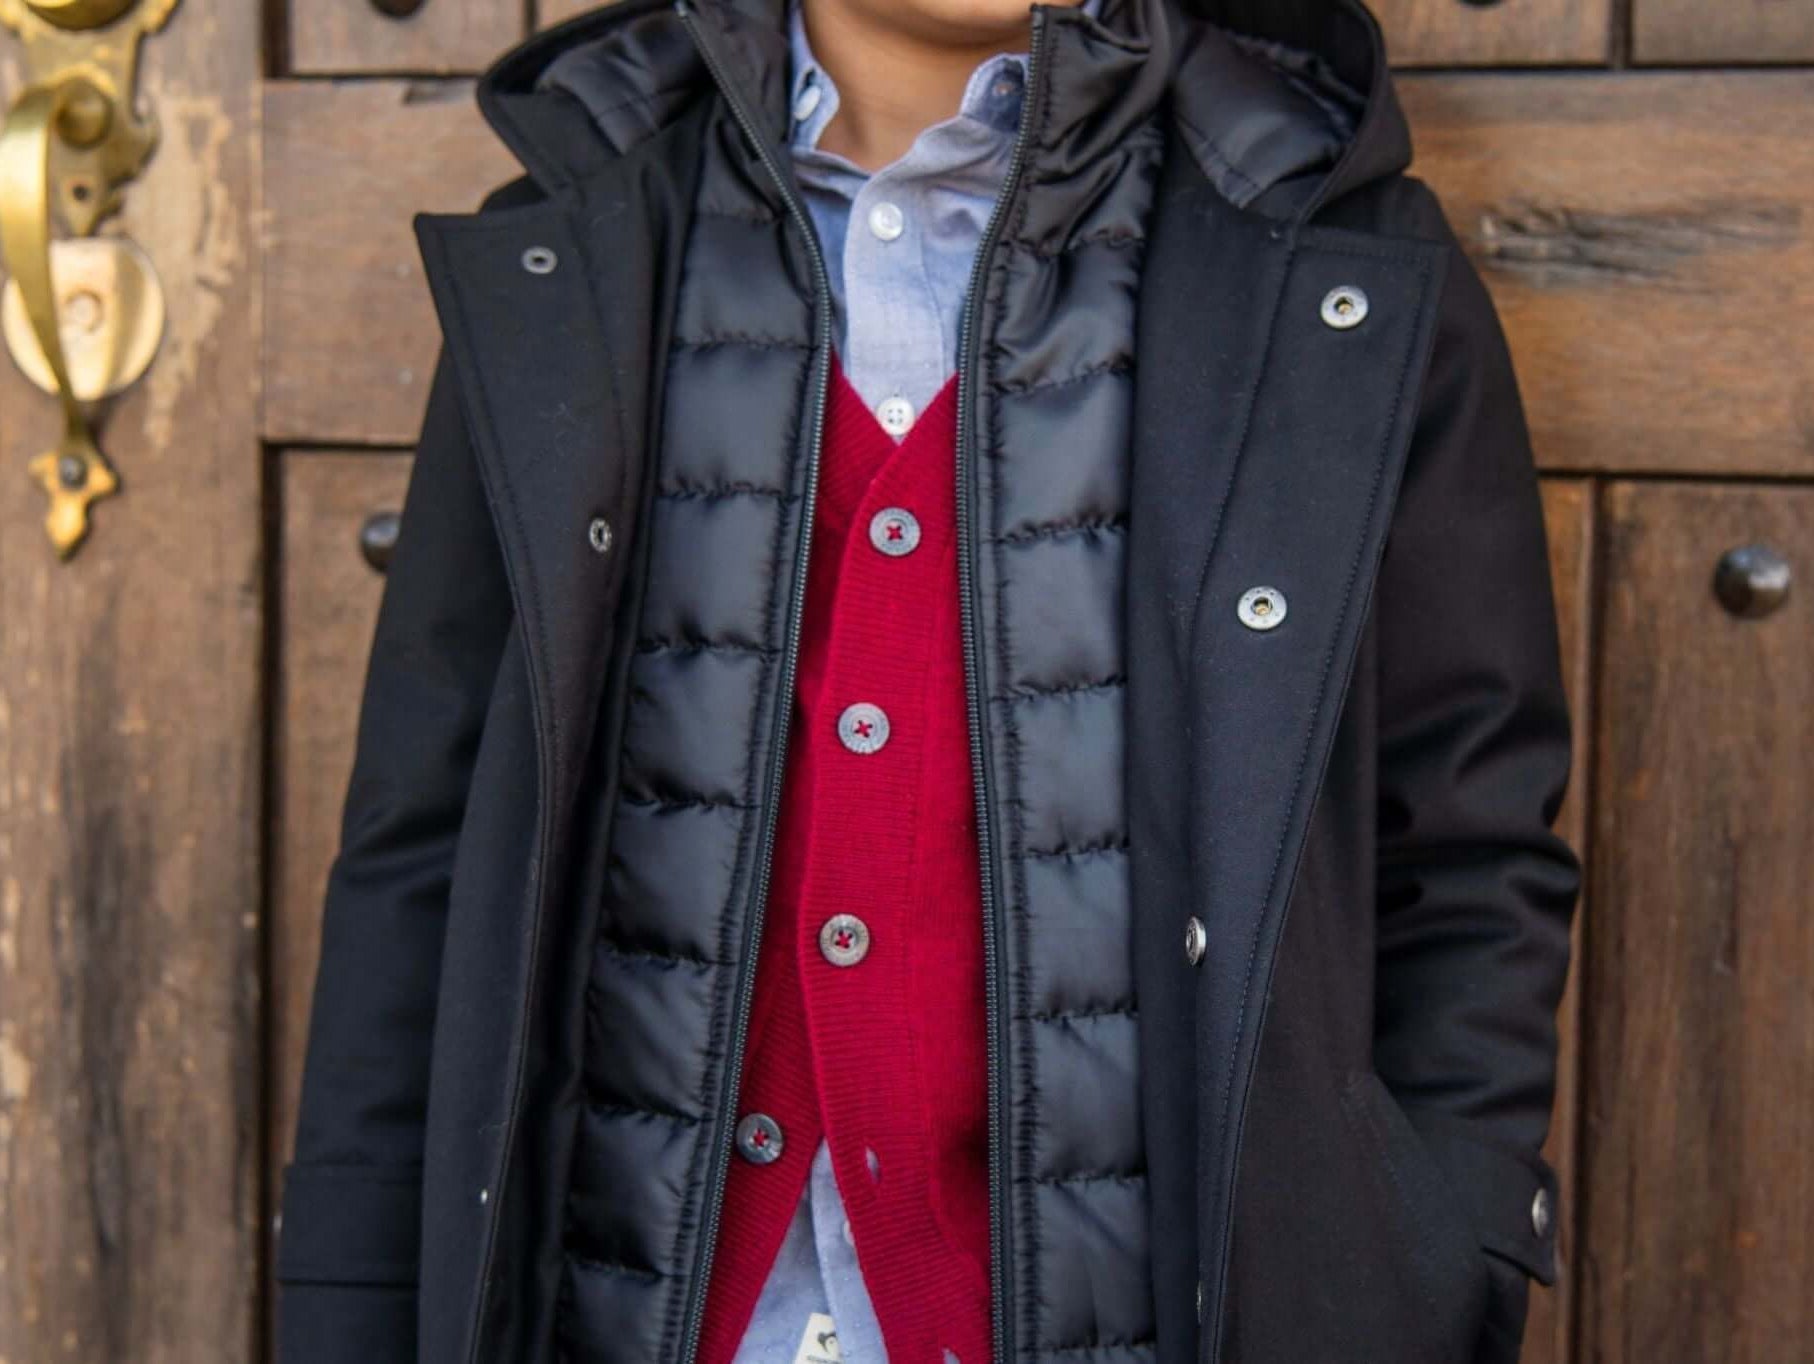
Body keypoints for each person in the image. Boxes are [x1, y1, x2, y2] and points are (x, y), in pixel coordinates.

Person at [273, 0, 1582, 1360]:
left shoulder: (1327, 256)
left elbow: (1465, 844)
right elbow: (423, 846)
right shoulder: (576, 235)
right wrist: (352, 1301)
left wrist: (1437, 1248)